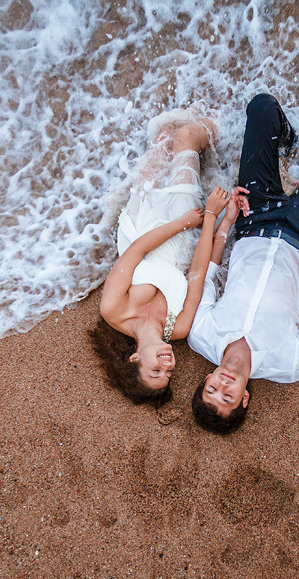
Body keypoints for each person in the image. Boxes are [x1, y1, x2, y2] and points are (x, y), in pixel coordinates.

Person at [187, 93, 299, 433]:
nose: (223, 384)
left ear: (206, 378)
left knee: (262, 107)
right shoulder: (289, 364)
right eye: (228, 396)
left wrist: (227, 220)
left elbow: (207, 275)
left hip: (253, 218)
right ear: (244, 399)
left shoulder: (201, 335)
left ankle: (288, 137)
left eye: (212, 389)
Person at [93, 115, 234, 407]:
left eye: (155, 370)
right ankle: (229, 121)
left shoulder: (113, 310)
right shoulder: (179, 328)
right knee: (186, 138)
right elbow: (197, 273)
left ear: (135, 359)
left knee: (165, 135)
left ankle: (199, 94)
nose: (167, 365)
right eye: (168, 373)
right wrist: (209, 214)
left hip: (143, 223)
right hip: (181, 235)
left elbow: (136, 251)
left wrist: (183, 223)